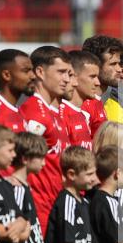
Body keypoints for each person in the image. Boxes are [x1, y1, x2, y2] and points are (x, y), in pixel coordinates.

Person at [20, 46, 73, 231]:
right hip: (39, 210)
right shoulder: (34, 112)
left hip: (56, 207)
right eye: (61, 72)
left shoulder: (55, 112)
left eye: (68, 73)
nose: (66, 79)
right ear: (40, 72)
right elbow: (21, 160)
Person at [0, 49, 35, 133]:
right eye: (26, 71)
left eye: (32, 70)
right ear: (6, 75)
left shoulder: (17, 110)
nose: (33, 76)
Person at [82, 35, 123, 136]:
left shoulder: (98, 102)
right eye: (113, 64)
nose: (119, 69)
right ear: (96, 66)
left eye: (119, 63)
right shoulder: (84, 106)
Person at [62, 50, 102, 149]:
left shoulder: (84, 115)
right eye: (92, 77)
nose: (97, 83)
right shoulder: (62, 114)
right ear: (74, 77)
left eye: (97, 77)